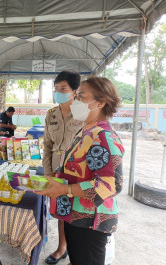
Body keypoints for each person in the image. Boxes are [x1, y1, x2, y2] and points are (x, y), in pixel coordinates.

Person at [35, 76, 124, 265]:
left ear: (100, 102)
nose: (75, 102)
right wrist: (55, 176)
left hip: (91, 221)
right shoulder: (87, 130)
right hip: (76, 216)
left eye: (81, 97)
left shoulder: (103, 137)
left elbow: (109, 185)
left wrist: (64, 189)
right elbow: (77, 165)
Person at [42, 71, 82, 264]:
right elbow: (47, 145)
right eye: (56, 89)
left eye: (63, 89)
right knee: (62, 211)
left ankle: (78, 251)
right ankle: (61, 248)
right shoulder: (51, 114)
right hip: (57, 170)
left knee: (79, 211)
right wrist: (48, 170)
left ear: (75, 91)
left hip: (79, 171)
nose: (58, 92)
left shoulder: (84, 112)